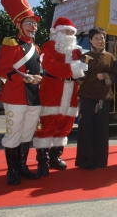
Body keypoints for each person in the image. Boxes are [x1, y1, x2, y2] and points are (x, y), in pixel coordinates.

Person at [0, 0, 42, 185]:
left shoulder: (37, 48)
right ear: (19, 24)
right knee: (13, 135)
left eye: (34, 23)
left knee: (27, 134)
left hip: (34, 98)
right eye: (29, 23)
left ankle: (23, 166)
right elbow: (3, 70)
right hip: (15, 97)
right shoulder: (10, 45)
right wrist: (26, 78)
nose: (33, 26)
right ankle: (12, 170)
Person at [33, 17, 87, 175]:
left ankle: (55, 157)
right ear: (57, 32)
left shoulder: (77, 50)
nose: (70, 34)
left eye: (72, 32)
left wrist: (82, 70)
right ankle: (42, 161)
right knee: (46, 125)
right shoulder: (49, 46)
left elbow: (79, 70)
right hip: (52, 89)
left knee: (65, 125)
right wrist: (73, 68)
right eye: (66, 31)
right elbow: (50, 66)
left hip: (71, 91)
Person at [75, 27, 117, 170]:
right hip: (86, 97)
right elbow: (79, 77)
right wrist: (80, 76)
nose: (100, 41)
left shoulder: (110, 57)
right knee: (86, 129)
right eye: (97, 38)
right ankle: (86, 161)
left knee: (102, 129)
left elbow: (115, 76)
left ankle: (100, 160)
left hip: (103, 98)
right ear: (90, 40)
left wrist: (105, 77)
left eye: (102, 38)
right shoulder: (84, 56)